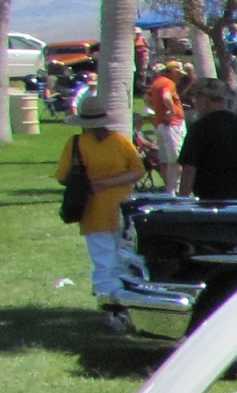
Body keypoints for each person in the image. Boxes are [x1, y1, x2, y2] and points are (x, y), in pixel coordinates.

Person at [54, 90, 144, 320]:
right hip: (122, 208)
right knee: (124, 257)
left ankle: (111, 306)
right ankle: (128, 303)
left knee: (104, 260)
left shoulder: (76, 144)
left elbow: (63, 176)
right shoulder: (120, 141)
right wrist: (112, 182)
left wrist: (94, 181)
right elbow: (137, 171)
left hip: (93, 210)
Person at [175, 80, 237, 202]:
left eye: (196, 100)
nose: (195, 106)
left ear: (205, 101)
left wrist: (182, 201)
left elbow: (189, 169)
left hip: (210, 203)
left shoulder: (200, 128)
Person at [144, 63, 185, 178]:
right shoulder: (168, 83)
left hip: (161, 125)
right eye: (178, 74)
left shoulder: (157, 83)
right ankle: (174, 188)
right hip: (172, 124)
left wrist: (157, 110)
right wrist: (171, 111)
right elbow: (166, 97)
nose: (179, 77)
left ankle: (169, 189)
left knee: (165, 160)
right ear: (171, 72)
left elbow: (146, 99)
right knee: (176, 159)